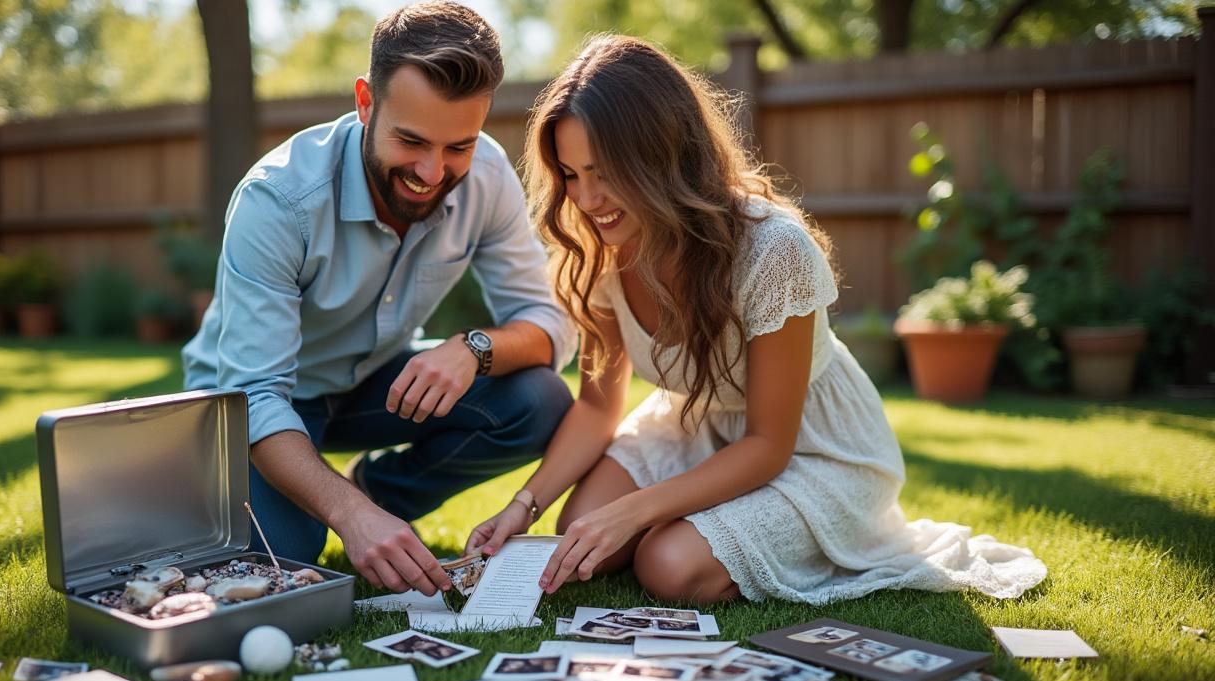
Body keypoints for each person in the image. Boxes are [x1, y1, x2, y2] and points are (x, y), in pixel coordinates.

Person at [466, 36, 1046, 605]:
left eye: (604, 171)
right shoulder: (598, 252)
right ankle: (690, 523)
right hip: (694, 426)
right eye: (570, 174)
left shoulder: (773, 251)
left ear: (662, 154)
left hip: (810, 450)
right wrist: (522, 506)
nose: (587, 199)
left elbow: (769, 444)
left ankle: (731, 537)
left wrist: (636, 512)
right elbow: (598, 407)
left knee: (667, 566)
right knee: (580, 530)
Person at [183, 2, 576, 597]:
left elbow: (551, 324)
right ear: (366, 102)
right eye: (411, 140)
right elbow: (255, 395)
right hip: (256, 403)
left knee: (538, 400)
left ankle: (374, 494)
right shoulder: (278, 199)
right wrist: (347, 517)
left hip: (371, 385)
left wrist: (473, 348)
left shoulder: (490, 176)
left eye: (458, 146)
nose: (431, 172)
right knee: (283, 556)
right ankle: (347, 507)